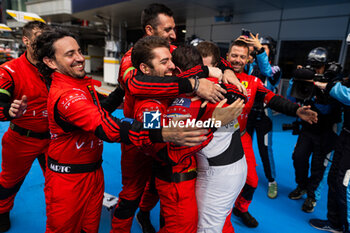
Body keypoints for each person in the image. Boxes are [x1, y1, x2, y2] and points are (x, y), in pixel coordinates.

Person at [33, 28, 213, 233]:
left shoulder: (80, 84)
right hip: (71, 179)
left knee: (91, 227)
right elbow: (110, 128)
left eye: (79, 51)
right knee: (130, 196)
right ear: (50, 62)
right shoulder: (68, 96)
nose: (80, 58)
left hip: (93, 170)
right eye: (70, 54)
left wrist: (214, 70)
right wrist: (170, 132)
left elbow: (103, 108)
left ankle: (140, 215)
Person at [111, 4, 228, 233]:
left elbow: (190, 64)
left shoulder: (168, 52)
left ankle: (145, 214)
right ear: (149, 30)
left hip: (163, 131)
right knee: (133, 192)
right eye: (168, 30)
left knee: (156, 187)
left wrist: (222, 70)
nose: (174, 35)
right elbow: (137, 86)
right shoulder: (136, 66)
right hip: (143, 139)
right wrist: (212, 119)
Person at [226, 39, 318, 228]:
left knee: (251, 181)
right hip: (214, 137)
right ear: (227, 57)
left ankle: (241, 209)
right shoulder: (216, 76)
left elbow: (273, 98)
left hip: (240, 136)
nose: (237, 59)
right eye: (233, 55)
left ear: (248, 60)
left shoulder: (253, 81)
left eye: (242, 56)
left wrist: (296, 110)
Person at [171, 44, 247, 233]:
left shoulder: (188, 104)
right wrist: (224, 71)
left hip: (219, 173)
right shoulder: (226, 88)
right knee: (219, 223)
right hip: (229, 167)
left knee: (206, 229)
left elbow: (154, 128)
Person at [0, 21, 50, 232]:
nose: (43, 43)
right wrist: (8, 111)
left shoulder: (55, 67)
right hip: (21, 139)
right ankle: (2, 211)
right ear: (26, 40)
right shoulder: (8, 70)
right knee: (9, 182)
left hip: (53, 139)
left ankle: (60, 216)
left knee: (59, 182)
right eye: (39, 38)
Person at [287, 47, 341, 213]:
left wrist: (317, 89)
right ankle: (301, 186)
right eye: (312, 65)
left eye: (318, 66)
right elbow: (291, 97)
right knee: (298, 157)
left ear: (326, 65)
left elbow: (326, 110)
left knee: (319, 165)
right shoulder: (306, 78)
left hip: (326, 131)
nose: (315, 69)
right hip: (308, 128)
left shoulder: (333, 82)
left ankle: (312, 196)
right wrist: (296, 80)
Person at [239, 34, 281, 199]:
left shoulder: (275, 69)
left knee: (265, 150)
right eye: (256, 45)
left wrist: (260, 51)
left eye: (263, 46)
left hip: (264, 115)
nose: (258, 48)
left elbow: (267, 71)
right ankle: (243, 177)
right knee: (242, 148)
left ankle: (272, 181)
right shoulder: (250, 67)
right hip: (247, 114)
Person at [309, 80, 350, 233]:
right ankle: (335, 223)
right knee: (334, 178)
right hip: (345, 134)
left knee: (345, 185)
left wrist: (329, 86)